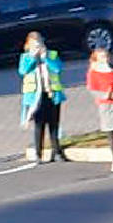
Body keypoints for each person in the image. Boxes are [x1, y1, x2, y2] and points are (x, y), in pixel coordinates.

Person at [19, 32, 68, 163]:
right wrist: (33, 58)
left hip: (51, 93)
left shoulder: (52, 54)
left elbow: (57, 69)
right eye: (34, 46)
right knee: (39, 125)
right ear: (29, 45)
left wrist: (46, 58)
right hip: (35, 96)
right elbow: (23, 71)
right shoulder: (25, 57)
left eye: (39, 45)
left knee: (54, 124)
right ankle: (38, 153)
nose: (37, 48)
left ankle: (56, 152)